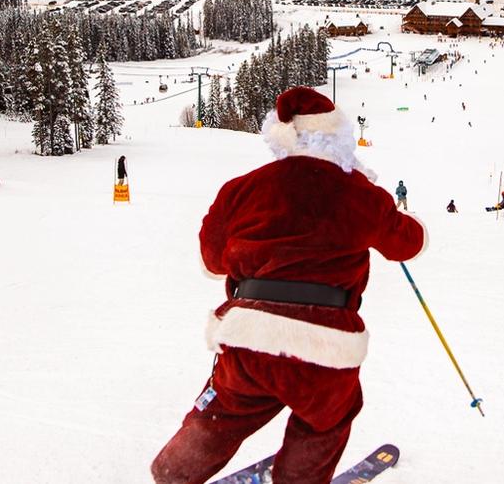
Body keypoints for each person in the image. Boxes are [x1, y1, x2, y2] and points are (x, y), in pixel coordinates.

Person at [152, 87, 425, 484]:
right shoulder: (360, 194)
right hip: (326, 347)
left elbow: (212, 262)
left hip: (250, 337)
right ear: (339, 140)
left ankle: (174, 474)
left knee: (224, 410)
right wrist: (386, 209)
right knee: (326, 419)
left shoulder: (242, 188)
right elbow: (408, 243)